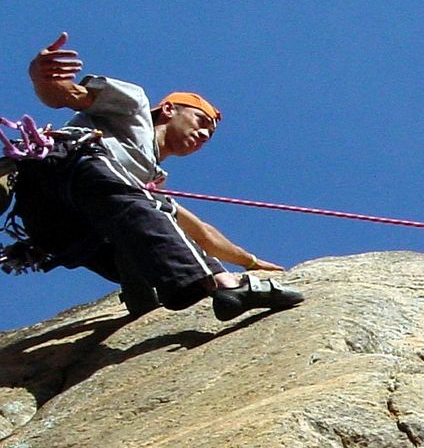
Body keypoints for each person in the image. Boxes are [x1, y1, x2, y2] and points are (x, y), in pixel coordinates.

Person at [20, 32, 303, 321]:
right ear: (169, 109)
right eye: (201, 121)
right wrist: (43, 78)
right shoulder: (134, 107)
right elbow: (67, 95)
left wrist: (250, 261)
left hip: (61, 228)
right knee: (148, 208)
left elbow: (199, 231)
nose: (204, 134)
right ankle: (225, 285)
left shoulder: (149, 178)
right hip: (63, 171)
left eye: (210, 135)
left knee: (151, 219)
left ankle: (140, 286)